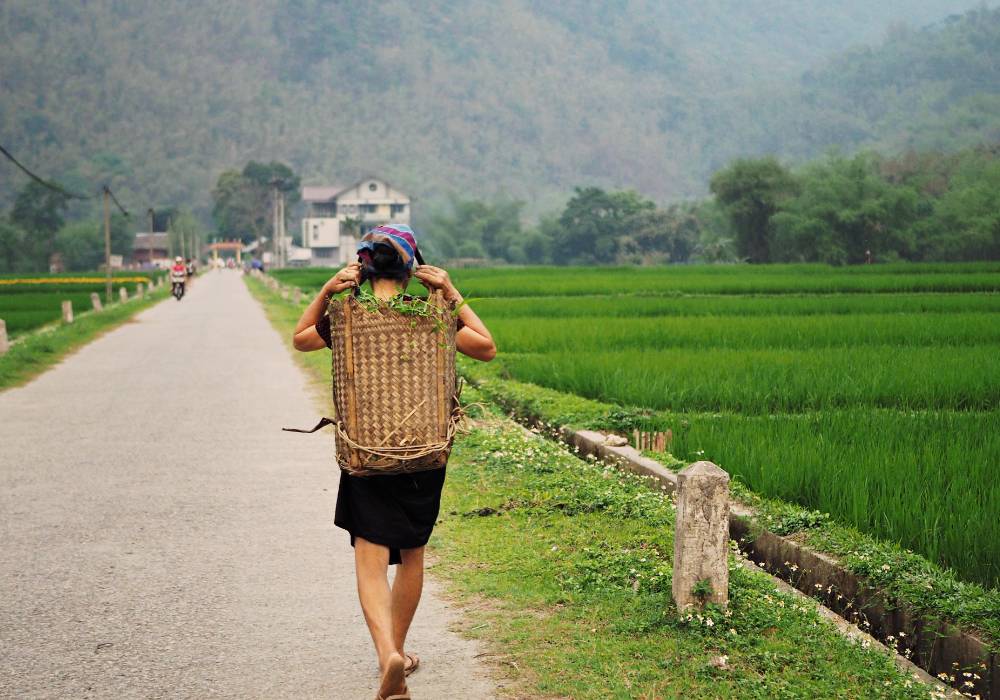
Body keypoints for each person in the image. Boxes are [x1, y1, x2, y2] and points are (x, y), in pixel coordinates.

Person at [292, 225, 496, 700]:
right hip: (424, 455)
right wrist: (450, 291)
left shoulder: (345, 315)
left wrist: (326, 289)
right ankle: (398, 652)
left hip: (366, 453)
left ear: (363, 269)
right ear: (413, 270)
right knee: (411, 555)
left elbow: (301, 338)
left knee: (370, 563)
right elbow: (486, 347)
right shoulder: (435, 316)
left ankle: (388, 655)